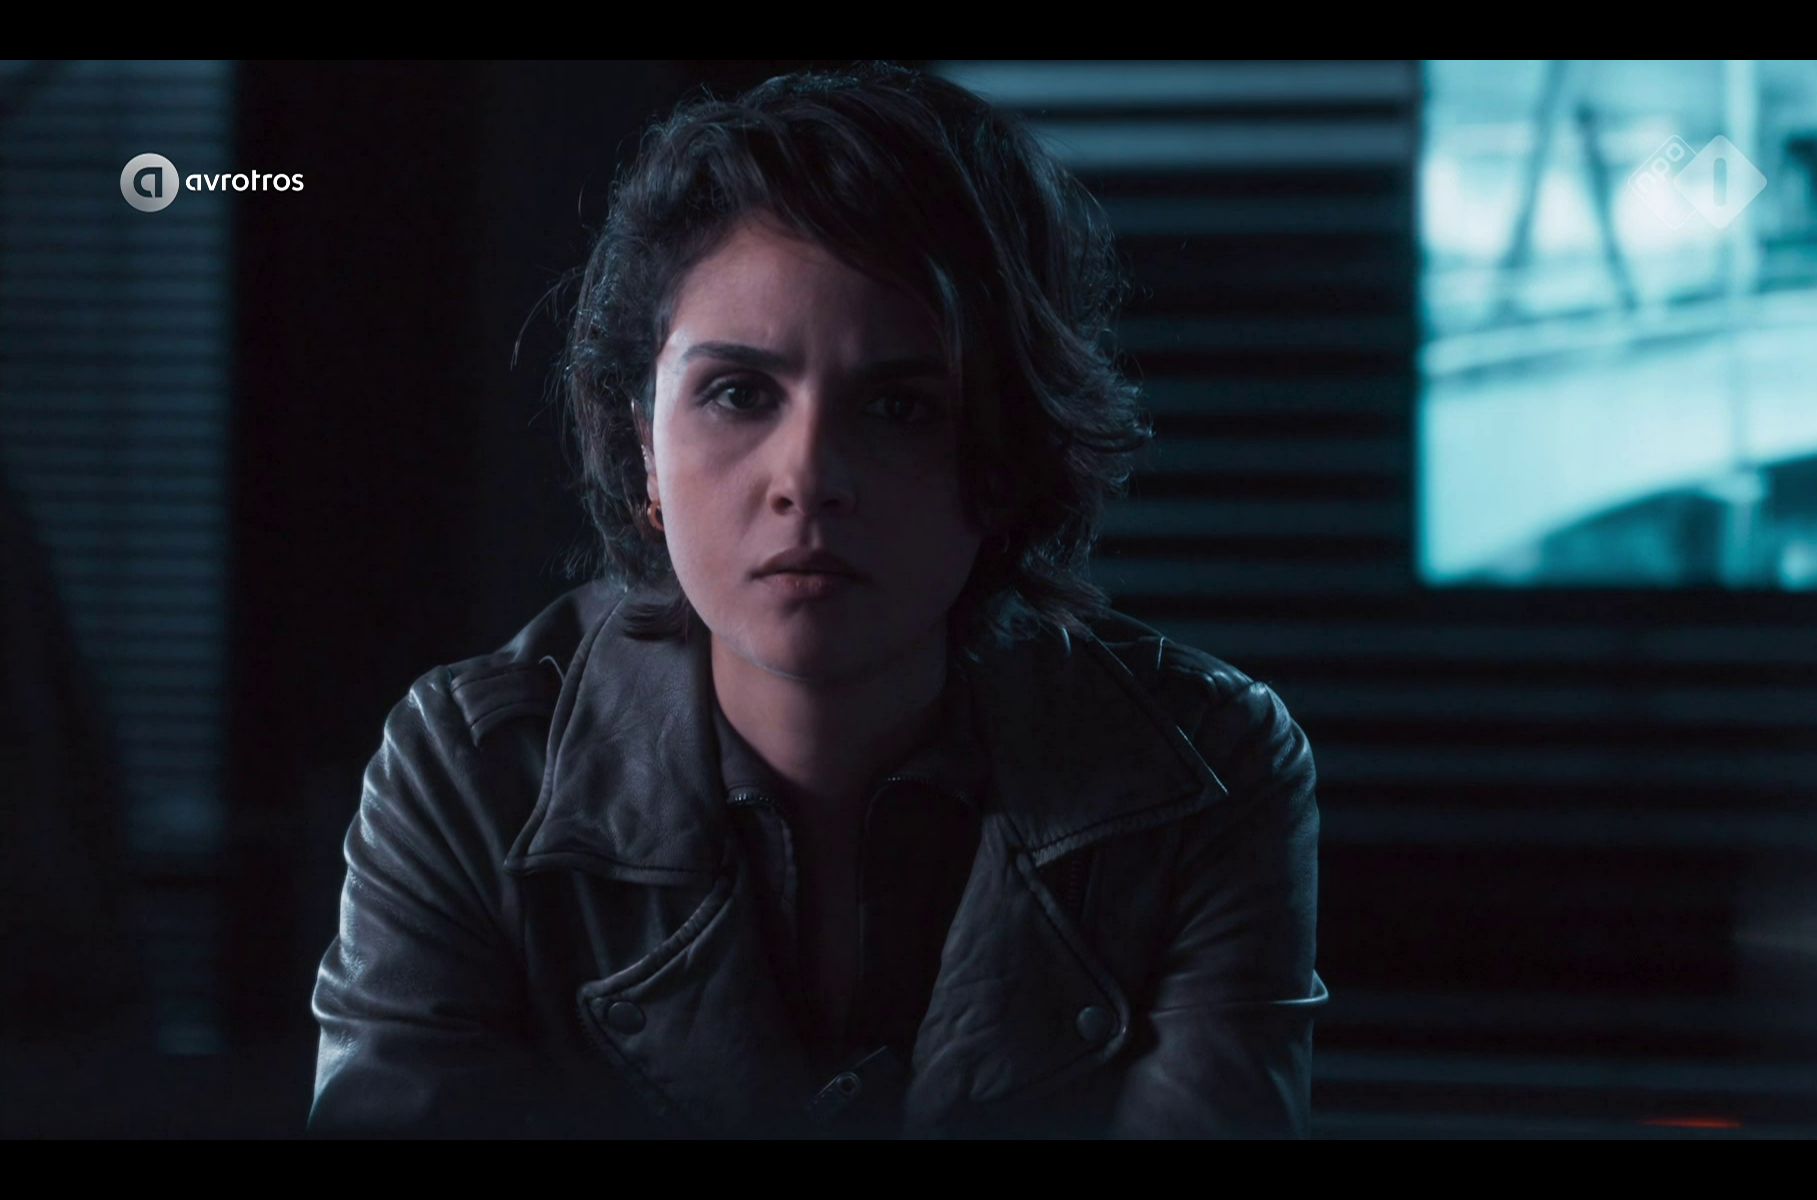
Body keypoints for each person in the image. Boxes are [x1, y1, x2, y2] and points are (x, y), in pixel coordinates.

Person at [308, 61, 1327, 1140]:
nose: (808, 476)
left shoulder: (1205, 768)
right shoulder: (472, 773)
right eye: (737, 393)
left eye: (898, 406)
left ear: (1005, 448)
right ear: (644, 446)